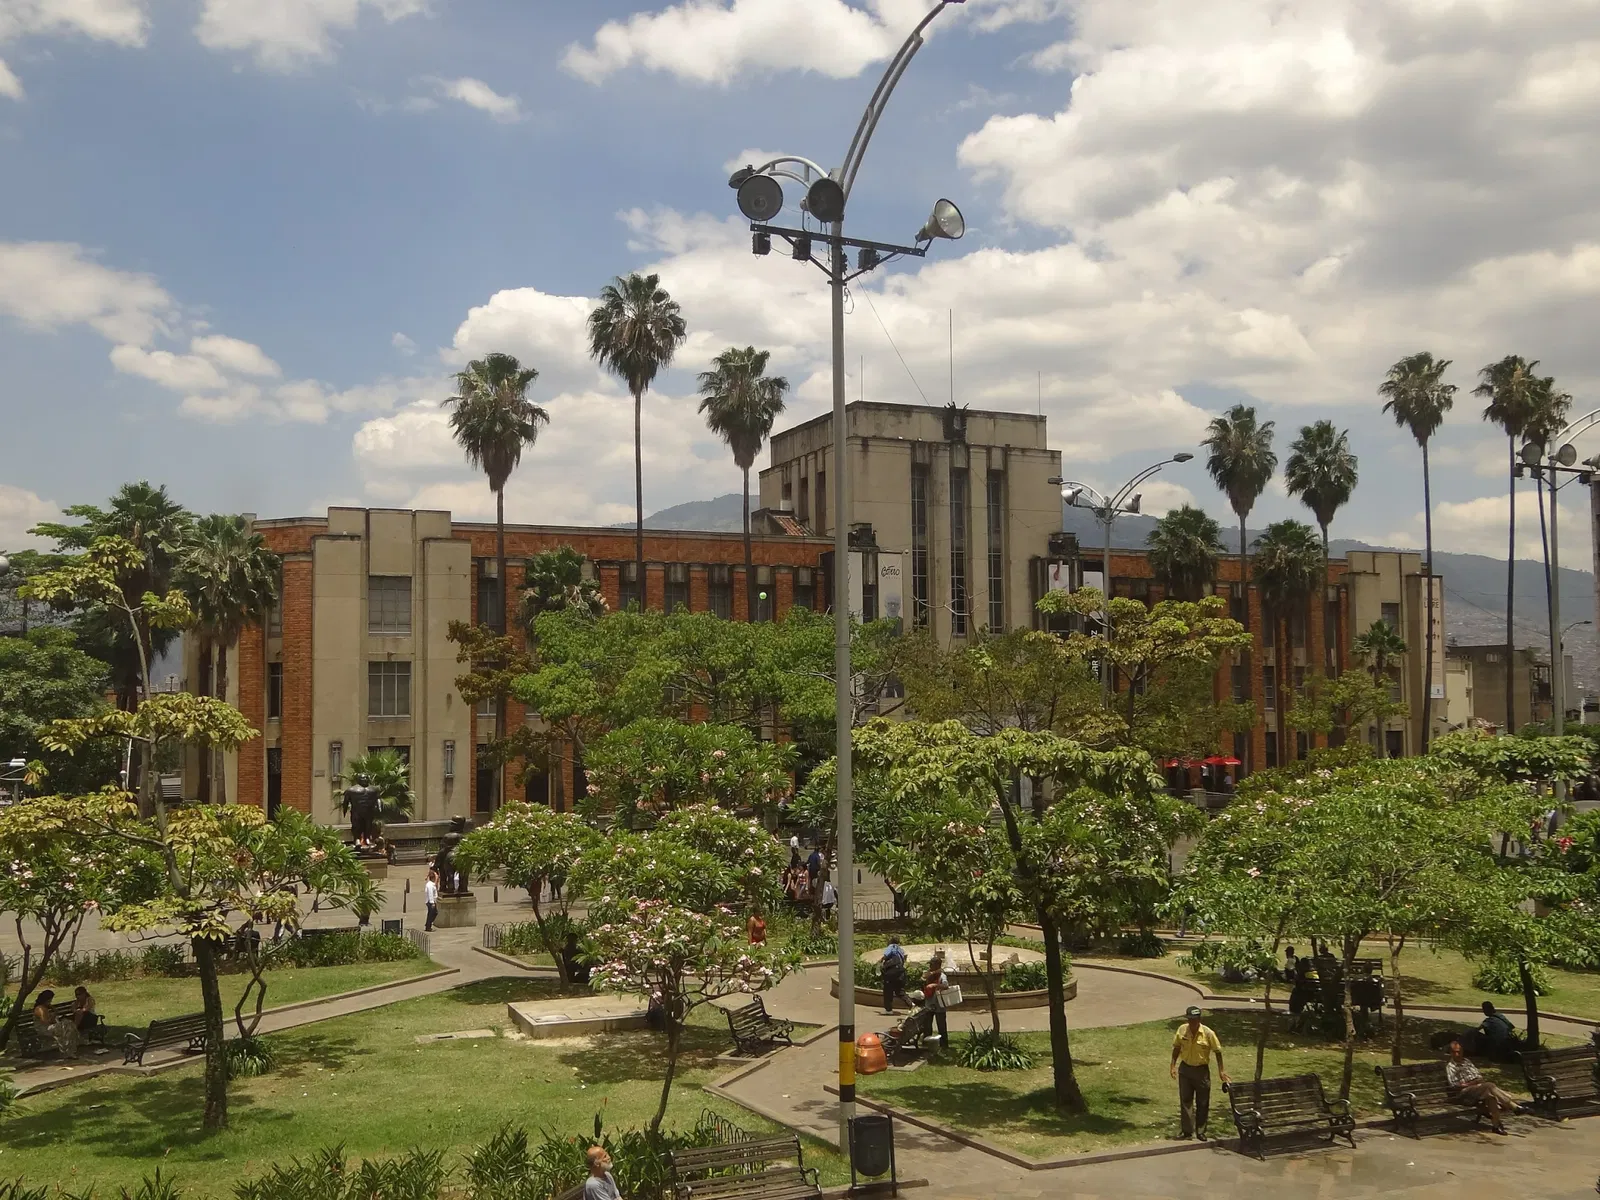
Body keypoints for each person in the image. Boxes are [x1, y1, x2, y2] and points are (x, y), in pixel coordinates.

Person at [1169, 1005, 1230, 1140]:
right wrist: (1172, 1065)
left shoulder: (1208, 1033)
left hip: (1201, 1070)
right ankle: (1187, 1130)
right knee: (1185, 1100)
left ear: (1199, 1019)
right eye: (1190, 1019)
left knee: (1202, 1102)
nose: (1192, 1023)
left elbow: (1218, 1051)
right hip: (1185, 1069)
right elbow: (1177, 1047)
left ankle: (1201, 1131)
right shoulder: (1182, 1030)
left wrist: (1221, 1071)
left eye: (1195, 1020)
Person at [1446, 1037, 1522, 1133]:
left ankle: (1496, 1126)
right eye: (1454, 1052)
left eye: (1459, 1051)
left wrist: (1477, 1082)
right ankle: (1513, 1106)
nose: (1457, 1054)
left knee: (1491, 1097)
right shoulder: (1451, 1066)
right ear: (1451, 1053)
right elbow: (1454, 1085)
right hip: (1464, 1093)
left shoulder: (1467, 1062)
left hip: (1478, 1090)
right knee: (1489, 1086)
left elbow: (1479, 1076)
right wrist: (1472, 1083)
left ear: (1462, 1051)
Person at [922, 957, 950, 1046]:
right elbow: (922, 980)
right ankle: (926, 1043)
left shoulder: (942, 975)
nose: (930, 966)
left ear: (937, 965)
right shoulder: (929, 974)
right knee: (927, 1025)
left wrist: (935, 985)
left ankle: (944, 1044)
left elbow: (946, 986)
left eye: (932, 964)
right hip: (929, 1003)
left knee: (941, 1026)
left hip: (939, 1004)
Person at [880, 937, 911, 1014]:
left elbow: (886, 955)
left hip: (891, 972)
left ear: (891, 941)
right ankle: (912, 1004)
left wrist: (880, 961)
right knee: (899, 991)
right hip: (900, 972)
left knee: (888, 990)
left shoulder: (891, 947)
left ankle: (888, 1010)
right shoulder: (901, 949)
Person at [423, 868, 440, 933]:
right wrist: (432, 903)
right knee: (433, 913)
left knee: (430, 914)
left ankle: (428, 924)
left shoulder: (432, 884)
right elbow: (430, 894)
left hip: (431, 901)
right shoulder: (430, 885)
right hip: (430, 902)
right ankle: (428, 925)